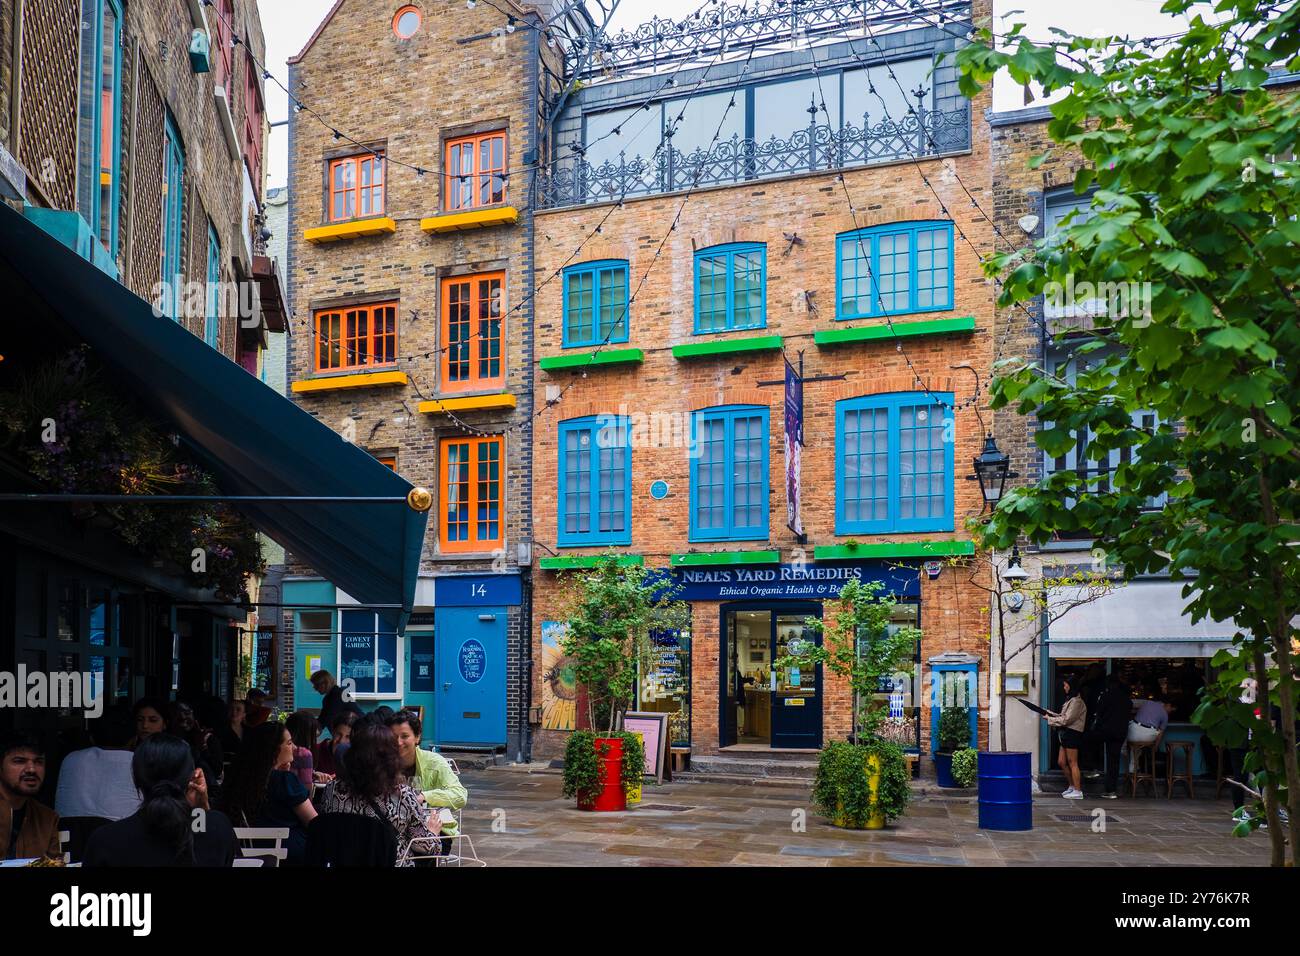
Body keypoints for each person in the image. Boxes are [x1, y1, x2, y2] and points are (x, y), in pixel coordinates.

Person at [83, 734, 238, 867]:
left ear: (136, 779)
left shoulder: (105, 840)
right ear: (191, 777)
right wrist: (201, 808)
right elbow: (208, 836)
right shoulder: (218, 826)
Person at [317, 720, 438, 866]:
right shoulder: (402, 795)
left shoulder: (331, 790)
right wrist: (433, 832)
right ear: (392, 759)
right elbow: (426, 847)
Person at [222, 721, 317, 864]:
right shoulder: (285, 781)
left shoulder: (239, 779)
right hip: (291, 855)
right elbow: (314, 823)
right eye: (289, 743)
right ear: (274, 749)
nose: (295, 747)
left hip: (249, 854)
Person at [387, 709, 467, 839]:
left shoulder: (434, 762)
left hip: (434, 829)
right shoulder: (382, 763)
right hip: (396, 830)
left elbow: (460, 795)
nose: (398, 742)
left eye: (405, 736)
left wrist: (425, 796)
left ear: (417, 737)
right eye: (393, 737)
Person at [55, 706, 141, 821]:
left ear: (91, 739)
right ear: (134, 740)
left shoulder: (71, 759)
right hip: (122, 836)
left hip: (70, 836)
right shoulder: (141, 763)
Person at [0, 732, 61, 861]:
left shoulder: (47, 818)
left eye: (38, 761)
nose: (31, 769)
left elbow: (53, 863)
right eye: (19, 761)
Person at [1085, 672, 1132, 799]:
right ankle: (1111, 790)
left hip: (1105, 730)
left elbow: (1099, 712)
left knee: (1090, 742)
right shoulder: (1126, 697)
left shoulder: (1106, 695)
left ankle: (1093, 768)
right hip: (1120, 732)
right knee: (1114, 761)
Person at [1042, 675, 1087, 799]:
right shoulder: (1071, 700)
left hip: (1073, 733)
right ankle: (1072, 786)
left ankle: (1078, 791)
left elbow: (1067, 719)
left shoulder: (1077, 701)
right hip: (1066, 734)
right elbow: (1063, 716)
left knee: (1073, 762)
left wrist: (1050, 719)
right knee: (1061, 762)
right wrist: (1051, 714)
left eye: (1066, 685)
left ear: (1071, 686)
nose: (1064, 687)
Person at [169, 700, 224, 794]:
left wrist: (203, 747)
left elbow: (216, 771)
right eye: (176, 714)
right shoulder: (166, 742)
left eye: (187, 713)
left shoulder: (208, 739)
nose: (182, 717)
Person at [1078, 662, 1107, 777]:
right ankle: (1091, 765)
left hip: (1092, 716)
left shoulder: (1093, 684)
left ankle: (1092, 766)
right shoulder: (1089, 683)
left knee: (1091, 741)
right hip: (1089, 716)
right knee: (1090, 741)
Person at [283, 711, 320, 789]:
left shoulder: (282, 749)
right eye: (314, 736)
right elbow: (306, 790)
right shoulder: (303, 754)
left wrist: (312, 774)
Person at [314, 711, 356, 777]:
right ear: (332, 732)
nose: (341, 741)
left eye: (348, 737)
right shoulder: (316, 751)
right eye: (338, 734)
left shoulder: (356, 757)